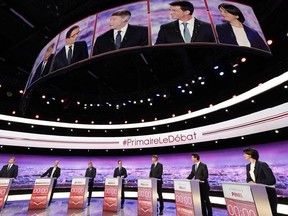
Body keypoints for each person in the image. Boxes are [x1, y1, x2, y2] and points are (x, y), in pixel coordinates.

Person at [243, 148, 278, 216]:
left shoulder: (262, 164)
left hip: (268, 194)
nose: (243, 155)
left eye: (245, 154)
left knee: (271, 213)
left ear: (250, 155)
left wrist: (256, 183)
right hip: (258, 194)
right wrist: (249, 182)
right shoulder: (248, 166)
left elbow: (272, 180)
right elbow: (248, 179)